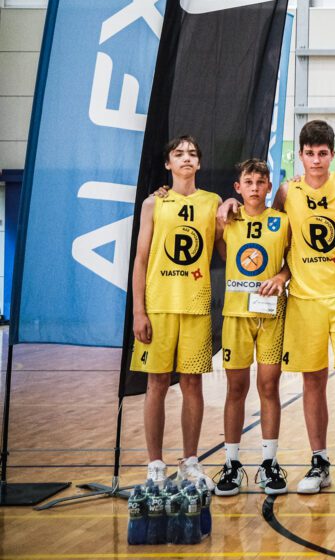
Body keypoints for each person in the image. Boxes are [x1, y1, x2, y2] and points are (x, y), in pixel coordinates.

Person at [219, 120, 335, 495]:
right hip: (304, 299)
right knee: (313, 380)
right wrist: (228, 203)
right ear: (301, 156)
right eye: (310, 153)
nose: (316, 160)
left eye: (323, 153)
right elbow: (266, 225)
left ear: (332, 154)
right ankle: (319, 461)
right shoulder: (287, 191)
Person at [130, 135, 221, 490]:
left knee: (192, 384)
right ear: (168, 163)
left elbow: (228, 248)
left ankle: (190, 463)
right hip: (159, 305)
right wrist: (139, 311)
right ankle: (155, 464)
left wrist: (231, 205)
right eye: (179, 154)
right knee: (156, 383)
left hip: (196, 305)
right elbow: (140, 260)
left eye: (192, 154)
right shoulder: (154, 203)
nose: (186, 158)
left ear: (199, 163)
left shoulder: (213, 202)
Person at [213, 159, 290, 497]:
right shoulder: (227, 219)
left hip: (271, 315)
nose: (255, 187)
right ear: (238, 187)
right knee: (236, 388)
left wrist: (280, 276)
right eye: (249, 181)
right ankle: (231, 464)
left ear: (269, 186)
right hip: (236, 315)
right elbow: (220, 249)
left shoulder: (282, 221)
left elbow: (293, 263)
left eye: (261, 182)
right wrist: (224, 207)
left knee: (269, 386)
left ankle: (269, 463)